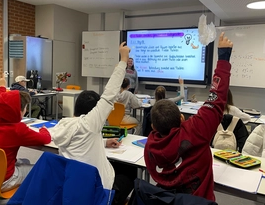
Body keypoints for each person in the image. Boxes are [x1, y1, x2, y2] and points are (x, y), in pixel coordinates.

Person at [144, 32, 233, 202]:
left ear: (154, 127)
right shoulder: (196, 131)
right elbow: (216, 100)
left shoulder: (150, 146)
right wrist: (223, 58)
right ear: (182, 119)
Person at [50, 42, 137, 205]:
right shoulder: (90, 124)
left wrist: (103, 142)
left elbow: (81, 143)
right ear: (93, 112)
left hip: (74, 188)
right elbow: (110, 93)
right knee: (130, 172)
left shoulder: (63, 124)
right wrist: (123, 58)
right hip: (98, 192)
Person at [0, 77, 51, 195]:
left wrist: (2, 87)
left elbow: (1, 101)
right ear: (20, 110)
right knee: (41, 169)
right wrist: (44, 130)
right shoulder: (17, 129)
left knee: (25, 160)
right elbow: (45, 139)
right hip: (4, 180)